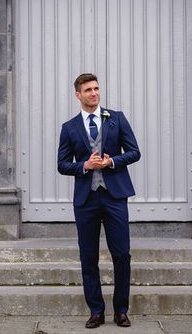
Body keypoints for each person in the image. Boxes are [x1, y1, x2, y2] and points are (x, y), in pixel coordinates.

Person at [58, 73, 141, 329]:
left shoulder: (116, 118)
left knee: (121, 255)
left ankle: (121, 310)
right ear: (78, 95)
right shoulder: (69, 127)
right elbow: (61, 165)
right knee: (88, 257)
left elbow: (135, 152)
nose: (94, 93)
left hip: (115, 196)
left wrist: (111, 161)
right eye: (88, 90)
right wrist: (83, 165)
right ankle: (96, 311)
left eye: (96, 89)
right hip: (86, 200)